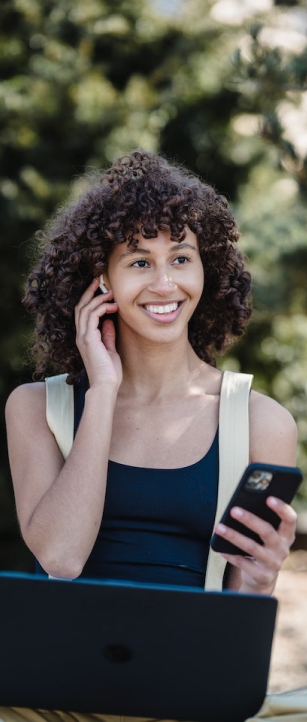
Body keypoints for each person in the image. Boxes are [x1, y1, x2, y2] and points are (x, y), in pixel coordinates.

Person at [3, 150, 303, 722]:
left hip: (187, 691)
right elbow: (61, 559)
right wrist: (105, 391)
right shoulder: (37, 408)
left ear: (205, 270)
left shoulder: (261, 422)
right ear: (102, 281)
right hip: (55, 695)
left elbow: (235, 624)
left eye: (181, 258)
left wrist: (260, 581)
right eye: (139, 262)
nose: (166, 283)